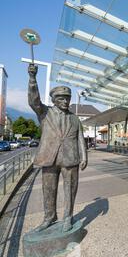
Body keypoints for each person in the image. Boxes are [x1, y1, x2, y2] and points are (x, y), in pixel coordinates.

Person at [28, 64, 88, 232]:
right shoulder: (44, 113)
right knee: (48, 189)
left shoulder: (75, 118)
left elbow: (80, 139)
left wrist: (84, 157)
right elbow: (33, 101)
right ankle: (49, 217)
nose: (65, 101)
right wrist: (32, 78)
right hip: (49, 158)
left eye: (67, 98)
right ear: (54, 100)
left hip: (70, 159)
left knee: (70, 189)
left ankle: (68, 217)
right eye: (61, 98)